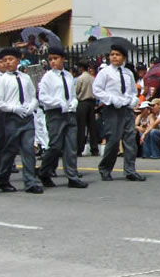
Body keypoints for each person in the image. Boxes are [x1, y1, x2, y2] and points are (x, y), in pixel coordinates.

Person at [92, 44, 145, 182]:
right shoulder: (105, 72)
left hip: (126, 109)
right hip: (112, 109)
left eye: (117, 54)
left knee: (130, 139)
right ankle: (105, 168)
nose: (114, 57)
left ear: (124, 57)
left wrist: (133, 100)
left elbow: (133, 91)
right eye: (112, 54)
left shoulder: (128, 73)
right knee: (114, 140)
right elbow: (97, 90)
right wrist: (111, 99)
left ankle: (130, 170)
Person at [0, 47, 42, 193]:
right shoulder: (2, 80)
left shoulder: (25, 78)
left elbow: (33, 95)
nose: (8, 62)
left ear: (18, 60)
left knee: (28, 150)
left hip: (26, 117)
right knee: (10, 150)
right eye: (5, 60)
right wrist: (14, 108)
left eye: (11, 59)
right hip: (11, 118)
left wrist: (32, 105)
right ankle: (2, 178)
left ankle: (30, 182)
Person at [36, 47, 87, 188]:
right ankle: (44, 171)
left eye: (55, 58)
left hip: (69, 113)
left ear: (63, 59)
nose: (53, 62)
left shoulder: (68, 76)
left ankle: (72, 176)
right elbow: (43, 97)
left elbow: (71, 94)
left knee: (71, 145)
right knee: (55, 145)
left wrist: (73, 103)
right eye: (50, 59)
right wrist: (58, 103)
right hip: (55, 114)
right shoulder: (47, 77)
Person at [75, 60, 100, 157]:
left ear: (81, 68)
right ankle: (94, 149)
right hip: (91, 102)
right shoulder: (92, 78)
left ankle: (79, 148)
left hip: (82, 102)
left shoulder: (80, 78)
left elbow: (77, 91)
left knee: (81, 126)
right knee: (92, 126)